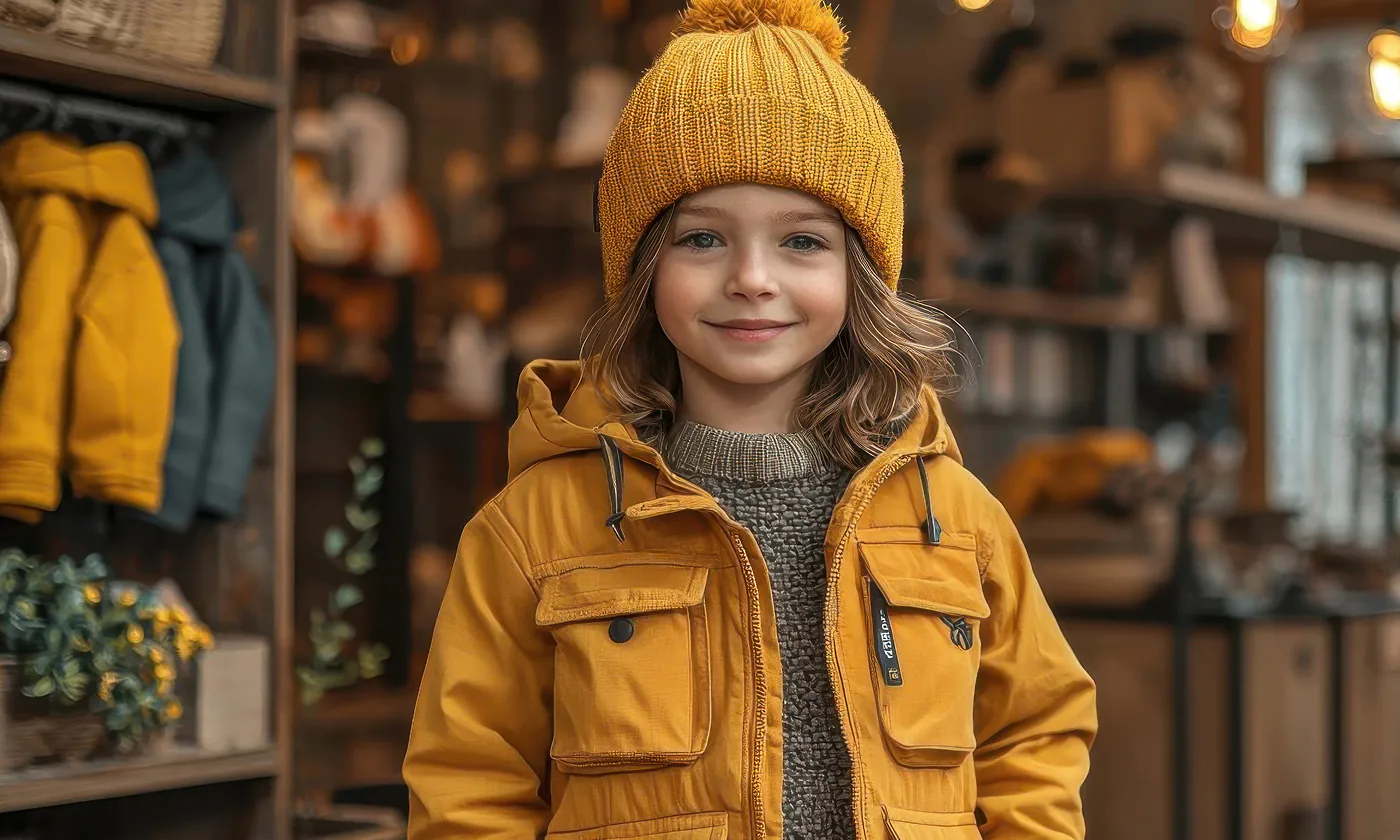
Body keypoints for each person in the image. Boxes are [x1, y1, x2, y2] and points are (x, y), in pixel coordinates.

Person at [402, 1, 1098, 838]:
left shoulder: (956, 521)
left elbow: (1036, 732)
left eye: (803, 242)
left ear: (861, 273)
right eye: (702, 240)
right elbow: (468, 787)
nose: (752, 279)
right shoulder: (533, 531)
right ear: (642, 268)